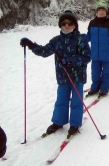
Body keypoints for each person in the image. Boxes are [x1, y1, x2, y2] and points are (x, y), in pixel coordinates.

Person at [20, 10, 91, 138]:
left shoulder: (80, 40)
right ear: (60, 25)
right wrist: (31, 45)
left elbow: (87, 57)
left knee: (76, 101)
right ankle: (58, 122)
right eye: (64, 23)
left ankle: (75, 123)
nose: (67, 26)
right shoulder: (56, 40)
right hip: (62, 78)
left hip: (77, 77)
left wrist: (71, 60)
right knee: (61, 101)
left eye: (70, 23)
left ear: (75, 25)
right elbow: (44, 51)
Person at [85, 0, 109, 96]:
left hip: (107, 53)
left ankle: (104, 88)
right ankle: (95, 87)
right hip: (95, 54)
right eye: (99, 10)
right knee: (95, 73)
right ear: (97, 11)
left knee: (106, 73)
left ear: (106, 11)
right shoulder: (92, 23)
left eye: (103, 10)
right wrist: (79, 36)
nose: (101, 12)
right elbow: (89, 37)